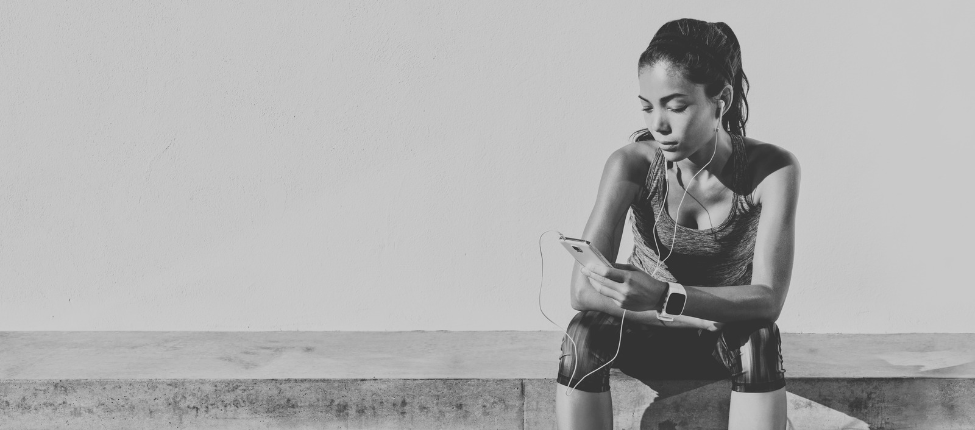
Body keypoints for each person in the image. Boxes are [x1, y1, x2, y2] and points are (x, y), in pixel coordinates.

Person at [555, 18, 801, 430]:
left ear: (720, 100)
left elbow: (768, 299)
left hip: (724, 339)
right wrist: (674, 310)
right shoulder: (631, 165)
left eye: (676, 105)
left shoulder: (770, 170)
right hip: (651, 329)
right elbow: (582, 289)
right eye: (648, 107)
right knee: (582, 335)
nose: (659, 125)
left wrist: (668, 294)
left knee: (760, 339)